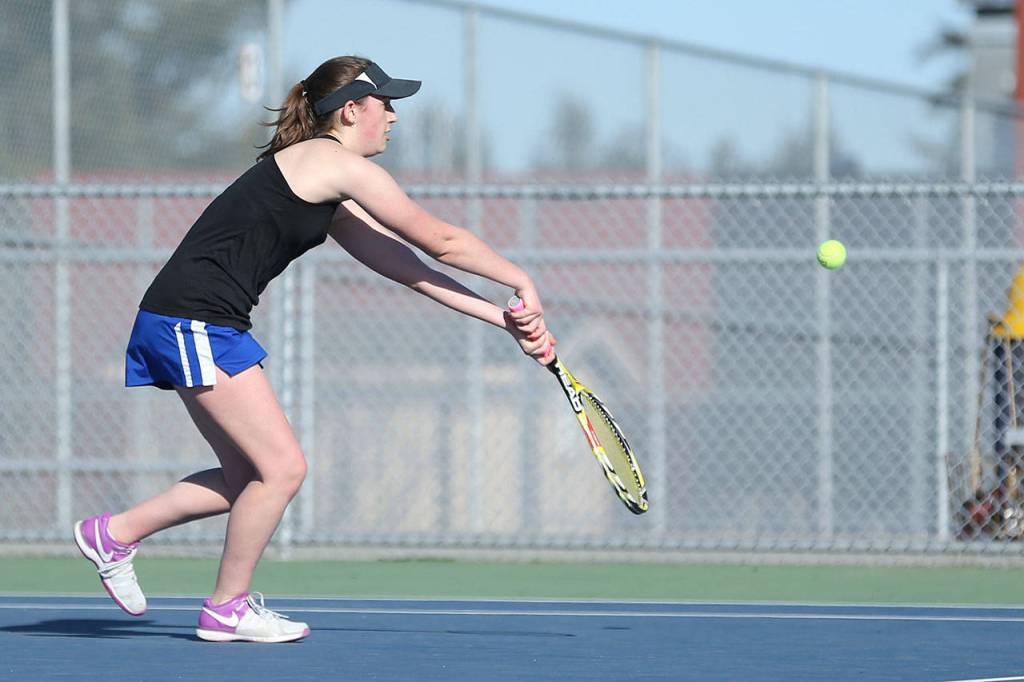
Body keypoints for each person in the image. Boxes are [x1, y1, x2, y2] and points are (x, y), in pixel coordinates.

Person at [73, 56, 556, 644]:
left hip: (195, 320)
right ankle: (227, 608)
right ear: (351, 110)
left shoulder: (327, 181)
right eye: (386, 104)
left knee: (249, 475)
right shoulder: (330, 162)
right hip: (192, 319)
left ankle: (114, 533)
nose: (394, 117)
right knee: (282, 469)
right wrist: (520, 279)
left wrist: (501, 319)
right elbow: (442, 241)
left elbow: (404, 265)